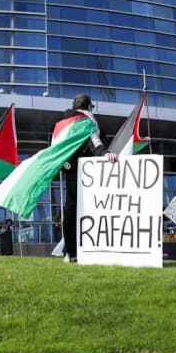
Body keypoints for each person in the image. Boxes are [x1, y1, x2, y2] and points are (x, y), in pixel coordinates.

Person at [57, 94, 117, 263]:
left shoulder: (64, 122)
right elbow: (93, 141)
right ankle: (86, 248)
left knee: (71, 210)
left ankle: (70, 251)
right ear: (89, 106)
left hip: (69, 169)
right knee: (88, 210)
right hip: (83, 172)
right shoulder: (85, 121)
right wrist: (104, 153)